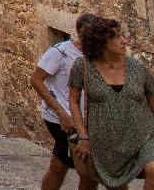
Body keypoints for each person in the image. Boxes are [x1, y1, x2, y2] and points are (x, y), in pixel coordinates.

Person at [69, 16, 154, 190]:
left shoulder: (137, 67)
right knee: (117, 186)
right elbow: (73, 101)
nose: (124, 41)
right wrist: (83, 135)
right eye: (117, 37)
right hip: (106, 141)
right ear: (101, 42)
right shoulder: (82, 67)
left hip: (144, 135)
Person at [28, 13, 98, 190]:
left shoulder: (98, 55)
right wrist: (61, 113)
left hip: (86, 120)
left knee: (61, 166)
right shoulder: (60, 52)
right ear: (79, 32)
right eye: (88, 33)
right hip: (61, 119)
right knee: (86, 170)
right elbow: (36, 79)